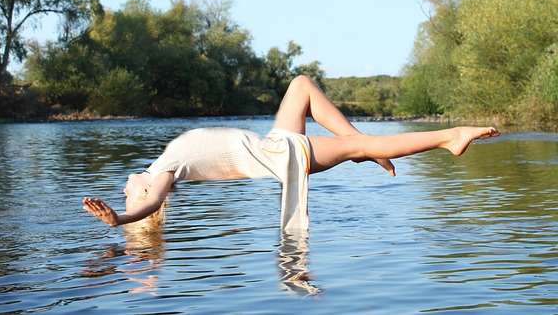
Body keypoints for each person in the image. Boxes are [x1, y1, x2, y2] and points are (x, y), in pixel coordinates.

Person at [83, 75, 499, 230]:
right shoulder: (161, 175)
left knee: (301, 85)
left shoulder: (163, 160)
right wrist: (120, 217)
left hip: (271, 142)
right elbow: (153, 201)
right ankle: (451, 136)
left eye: (122, 195)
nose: (124, 189)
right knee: (364, 146)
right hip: (278, 154)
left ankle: (365, 150)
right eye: (124, 196)